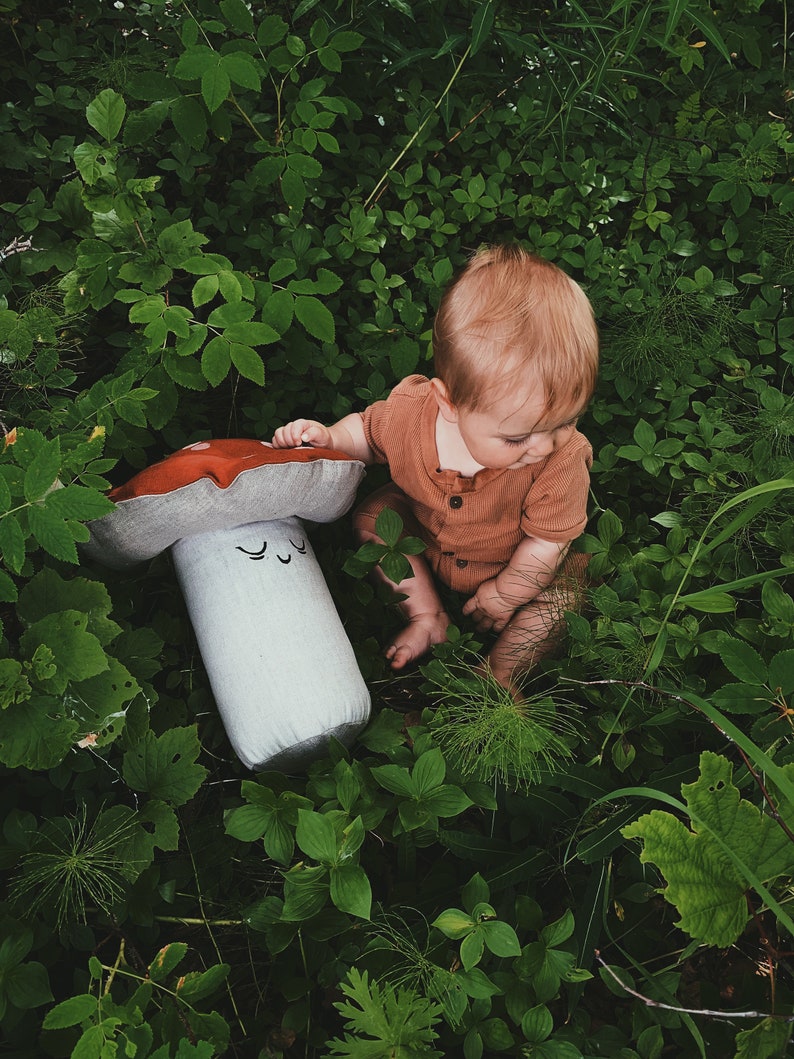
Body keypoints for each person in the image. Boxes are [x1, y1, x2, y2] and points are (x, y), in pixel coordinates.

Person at [272, 243, 599, 691]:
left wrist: (507, 594)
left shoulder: (562, 460)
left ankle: (500, 673)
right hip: (424, 535)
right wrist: (330, 438)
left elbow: (545, 544)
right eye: (517, 437)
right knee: (374, 518)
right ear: (449, 403)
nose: (544, 445)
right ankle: (426, 614)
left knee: (561, 599)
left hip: (512, 563)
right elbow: (367, 433)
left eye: (564, 422)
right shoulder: (412, 412)